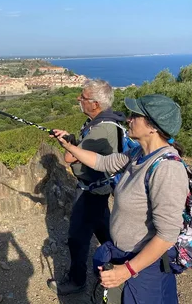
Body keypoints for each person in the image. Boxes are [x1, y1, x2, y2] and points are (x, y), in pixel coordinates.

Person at [54, 94, 189, 304]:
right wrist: (70, 147)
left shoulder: (167, 169)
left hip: (144, 269)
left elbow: (167, 235)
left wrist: (126, 271)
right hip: (126, 258)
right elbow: (104, 162)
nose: (129, 119)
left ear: (153, 126)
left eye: (135, 115)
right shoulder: (138, 153)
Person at [48, 79, 126, 295]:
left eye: (82, 97)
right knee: (105, 231)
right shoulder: (108, 121)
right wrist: (72, 140)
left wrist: (67, 144)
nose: (78, 99)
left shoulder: (100, 130)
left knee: (77, 237)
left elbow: (69, 157)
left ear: (95, 104)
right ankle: (123, 266)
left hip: (91, 191)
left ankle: (76, 280)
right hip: (100, 189)